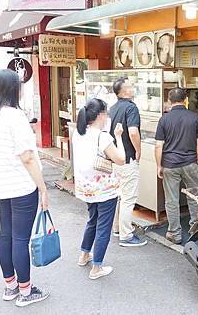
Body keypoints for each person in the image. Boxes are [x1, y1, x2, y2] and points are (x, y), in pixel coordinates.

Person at [0, 69, 49, 307]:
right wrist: (43, 188)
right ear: (13, 89)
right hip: (21, 185)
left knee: (6, 234)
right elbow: (27, 157)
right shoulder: (14, 116)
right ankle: (26, 291)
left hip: (1, 186)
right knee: (21, 239)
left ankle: (10, 286)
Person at [73, 98, 126, 280]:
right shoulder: (103, 137)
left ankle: (84, 254)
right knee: (103, 227)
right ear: (101, 115)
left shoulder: (78, 133)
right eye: (106, 114)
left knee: (92, 221)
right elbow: (121, 159)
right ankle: (96, 268)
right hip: (105, 189)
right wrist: (118, 136)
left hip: (86, 187)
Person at [155, 88, 198, 244]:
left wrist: (159, 165)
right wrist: (194, 159)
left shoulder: (164, 119)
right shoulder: (194, 117)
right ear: (185, 99)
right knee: (193, 197)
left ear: (170, 101)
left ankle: (175, 233)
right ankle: (195, 229)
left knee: (172, 200)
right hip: (190, 163)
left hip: (170, 164)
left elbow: (158, 146)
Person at [109, 77, 147, 247]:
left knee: (120, 196)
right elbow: (133, 132)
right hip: (128, 158)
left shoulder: (113, 108)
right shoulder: (131, 108)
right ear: (124, 91)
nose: (133, 88)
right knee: (128, 198)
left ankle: (117, 228)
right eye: (130, 86)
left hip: (115, 158)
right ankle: (126, 235)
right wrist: (139, 150)